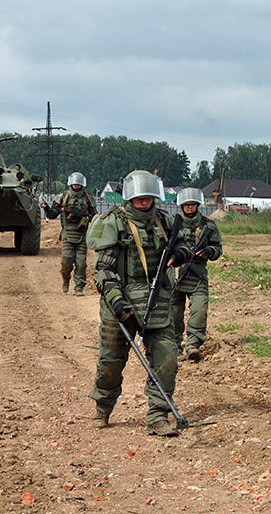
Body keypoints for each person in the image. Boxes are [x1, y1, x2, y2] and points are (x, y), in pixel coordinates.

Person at [85, 170, 191, 436]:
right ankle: (103, 407)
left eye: (148, 198)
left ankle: (158, 414)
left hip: (158, 303)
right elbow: (103, 273)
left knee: (167, 358)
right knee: (110, 361)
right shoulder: (112, 222)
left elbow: (186, 246)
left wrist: (179, 253)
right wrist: (118, 304)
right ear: (129, 197)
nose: (143, 203)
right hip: (120, 302)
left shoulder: (166, 222)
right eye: (139, 198)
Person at [170, 187, 223, 362]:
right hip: (176, 274)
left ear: (198, 205)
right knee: (174, 313)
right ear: (181, 206)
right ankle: (174, 346)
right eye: (187, 205)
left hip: (197, 276)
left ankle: (192, 345)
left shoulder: (208, 225)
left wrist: (209, 251)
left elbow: (217, 248)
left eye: (193, 205)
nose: (190, 208)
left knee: (200, 310)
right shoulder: (172, 223)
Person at [41, 172, 97, 295]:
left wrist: (88, 219)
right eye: (74, 184)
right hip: (67, 233)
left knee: (81, 262)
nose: (76, 186)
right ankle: (66, 279)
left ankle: (79, 287)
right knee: (67, 260)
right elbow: (52, 214)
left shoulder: (88, 198)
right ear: (71, 184)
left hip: (82, 233)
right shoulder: (63, 197)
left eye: (78, 184)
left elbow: (95, 216)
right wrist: (46, 208)